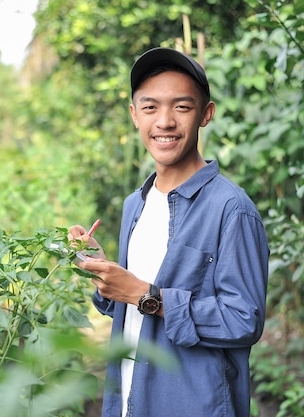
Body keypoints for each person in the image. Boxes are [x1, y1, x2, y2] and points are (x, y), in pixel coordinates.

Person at [68, 47, 270, 417]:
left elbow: (244, 320)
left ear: (205, 114)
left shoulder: (232, 210)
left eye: (181, 107)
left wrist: (150, 297)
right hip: (130, 396)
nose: (164, 121)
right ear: (134, 116)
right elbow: (131, 304)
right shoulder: (136, 204)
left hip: (192, 404)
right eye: (150, 107)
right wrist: (101, 268)